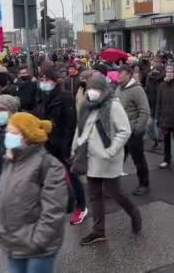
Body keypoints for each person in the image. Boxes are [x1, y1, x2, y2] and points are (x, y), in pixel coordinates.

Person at [0, 112, 67, 273]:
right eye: (7, 132)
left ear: (27, 136)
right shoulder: (11, 159)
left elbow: (54, 209)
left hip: (37, 247)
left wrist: (38, 240)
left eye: (13, 133)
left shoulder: (49, 165)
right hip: (12, 241)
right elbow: (0, 195)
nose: (8, 136)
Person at [74, 75, 142, 245]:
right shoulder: (86, 106)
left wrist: (111, 150)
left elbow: (124, 131)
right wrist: (75, 147)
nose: (92, 92)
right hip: (90, 157)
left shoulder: (113, 105)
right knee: (95, 195)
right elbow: (80, 128)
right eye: (89, 88)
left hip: (107, 157)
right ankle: (98, 231)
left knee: (115, 193)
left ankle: (134, 213)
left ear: (103, 89)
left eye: (95, 89)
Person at [35, 66, 85, 225]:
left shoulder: (65, 97)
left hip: (63, 144)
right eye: (41, 79)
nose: (43, 82)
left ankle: (81, 206)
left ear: (55, 81)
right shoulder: (44, 96)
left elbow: (71, 124)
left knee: (72, 175)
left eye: (46, 79)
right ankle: (60, 202)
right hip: (48, 143)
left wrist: (66, 148)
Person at [116, 65, 151, 195]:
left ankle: (144, 184)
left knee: (138, 159)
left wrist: (137, 129)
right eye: (118, 73)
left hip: (133, 131)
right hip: (121, 131)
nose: (118, 75)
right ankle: (112, 185)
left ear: (129, 75)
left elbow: (145, 111)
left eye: (121, 73)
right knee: (118, 158)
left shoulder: (137, 90)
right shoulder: (119, 88)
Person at [145, 64, 164, 149]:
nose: (155, 72)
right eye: (154, 70)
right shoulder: (149, 78)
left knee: (157, 125)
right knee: (149, 125)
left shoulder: (163, 80)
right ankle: (155, 139)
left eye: (157, 70)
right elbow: (147, 90)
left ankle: (158, 141)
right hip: (151, 104)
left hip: (160, 105)